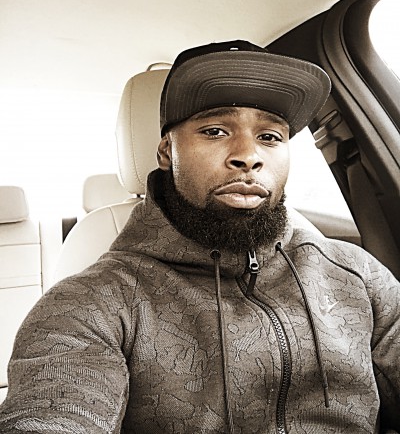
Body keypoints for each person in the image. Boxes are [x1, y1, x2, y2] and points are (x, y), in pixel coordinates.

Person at [0, 40, 399, 434]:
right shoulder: (92, 303)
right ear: (166, 152)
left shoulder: (355, 273)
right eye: (215, 131)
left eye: (269, 137)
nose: (248, 155)